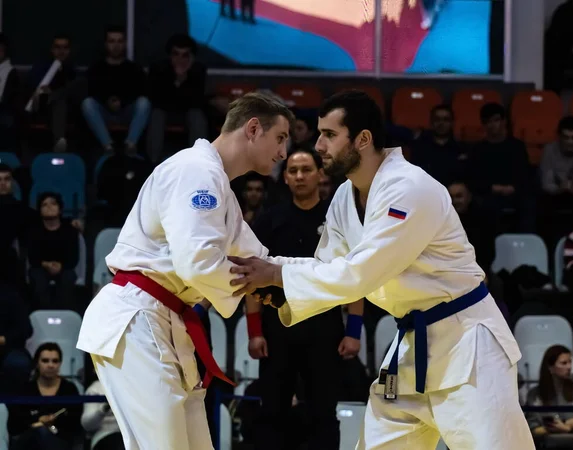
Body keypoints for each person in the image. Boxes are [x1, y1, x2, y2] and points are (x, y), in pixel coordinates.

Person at [228, 90, 535, 449]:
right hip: (411, 346)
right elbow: (330, 266)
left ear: (362, 139)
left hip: (467, 346)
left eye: (329, 134)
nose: (319, 145)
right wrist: (271, 270)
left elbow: (362, 273)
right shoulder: (345, 195)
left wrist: (277, 276)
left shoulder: (409, 188)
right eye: (319, 134)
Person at [76, 92, 296, 450]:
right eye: (281, 138)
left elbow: (259, 261)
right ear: (254, 128)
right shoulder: (195, 170)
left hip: (167, 322)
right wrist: (266, 285)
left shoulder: (218, 185)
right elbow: (199, 263)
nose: (283, 153)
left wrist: (326, 277)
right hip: (136, 318)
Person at [247, 147, 364, 450]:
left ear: (319, 174)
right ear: (284, 177)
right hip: (277, 327)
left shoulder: (335, 220)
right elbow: (252, 276)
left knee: (323, 411)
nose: (300, 176)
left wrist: (353, 331)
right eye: (293, 171)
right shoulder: (269, 220)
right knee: (272, 409)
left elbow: (356, 274)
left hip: (324, 327)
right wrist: (254, 331)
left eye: (306, 170)